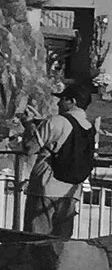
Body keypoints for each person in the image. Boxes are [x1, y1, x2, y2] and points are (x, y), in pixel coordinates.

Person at [24, 83, 98, 237]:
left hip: (45, 187)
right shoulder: (90, 128)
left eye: (62, 99)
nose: (58, 103)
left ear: (72, 101)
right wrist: (41, 122)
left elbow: (30, 148)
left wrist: (29, 125)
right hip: (70, 192)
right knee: (61, 243)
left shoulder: (56, 121)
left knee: (35, 241)